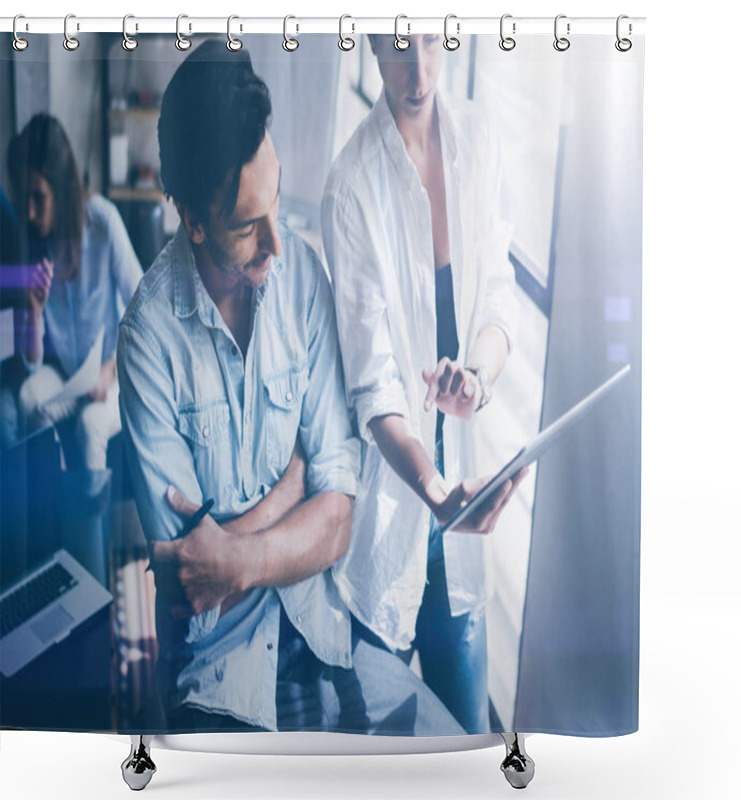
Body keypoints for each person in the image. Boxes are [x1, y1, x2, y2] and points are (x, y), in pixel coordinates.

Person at [117, 40, 462, 736]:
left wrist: (238, 552)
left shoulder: (301, 276)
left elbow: (338, 520)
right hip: (216, 676)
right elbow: (191, 581)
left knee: (453, 753)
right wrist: (295, 483)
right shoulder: (146, 338)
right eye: (248, 225)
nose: (280, 241)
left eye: (275, 199)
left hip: (327, 628)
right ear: (193, 220)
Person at [322, 34, 525, 734]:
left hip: (461, 494)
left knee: (469, 736)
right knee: (372, 741)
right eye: (401, 48)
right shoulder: (352, 184)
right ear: (373, 43)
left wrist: (479, 377)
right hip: (396, 504)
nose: (420, 71)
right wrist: (437, 495)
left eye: (434, 43)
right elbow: (373, 383)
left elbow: (499, 295)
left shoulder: (479, 140)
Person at [6, 114, 143, 470]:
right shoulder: (34, 245)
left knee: (90, 426)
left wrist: (110, 369)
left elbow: (146, 311)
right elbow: (32, 362)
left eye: (39, 197)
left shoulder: (103, 222)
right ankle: (58, 496)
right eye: (25, 199)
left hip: (110, 376)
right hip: (66, 377)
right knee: (27, 399)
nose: (31, 213)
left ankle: (85, 520)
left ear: (62, 188)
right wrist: (34, 311)